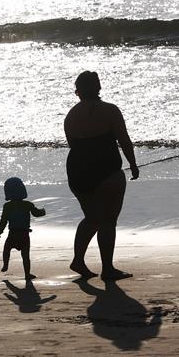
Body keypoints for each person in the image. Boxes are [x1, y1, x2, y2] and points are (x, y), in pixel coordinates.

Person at [64, 71, 139, 281]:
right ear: (98, 88)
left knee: (93, 218)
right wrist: (132, 164)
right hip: (107, 170)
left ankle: (78, 260)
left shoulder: (71, 116)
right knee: (108, 220)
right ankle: (107, 269)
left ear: (78, 91)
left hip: (78, 171)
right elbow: (124, 140)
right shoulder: (110, 111)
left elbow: (74, 145)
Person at [0, 177, 46, 280]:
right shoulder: (28, 204)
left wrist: (0, 231)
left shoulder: (7, 206)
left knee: (6, 249)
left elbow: (3, 220)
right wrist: (43, 211)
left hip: (13, 234)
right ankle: (27, 274)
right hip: (24, 234)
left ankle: (5, 265)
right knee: (25, 256)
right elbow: (36, 213)